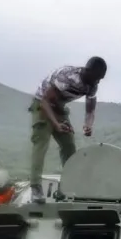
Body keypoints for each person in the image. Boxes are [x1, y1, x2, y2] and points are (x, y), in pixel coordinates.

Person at [29, 56, 107, 203]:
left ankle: (67, 187)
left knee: (69, 146)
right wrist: (56, 125)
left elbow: (90, 111)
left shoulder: (92, 85)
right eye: (97, 77)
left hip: (59, 108)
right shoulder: (67, 76)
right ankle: (35, 188)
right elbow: (45, 101)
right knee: (41, 143)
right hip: (42, 104)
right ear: (88, 71)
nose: (98, 81)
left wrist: (88, 125)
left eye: (101, 79)